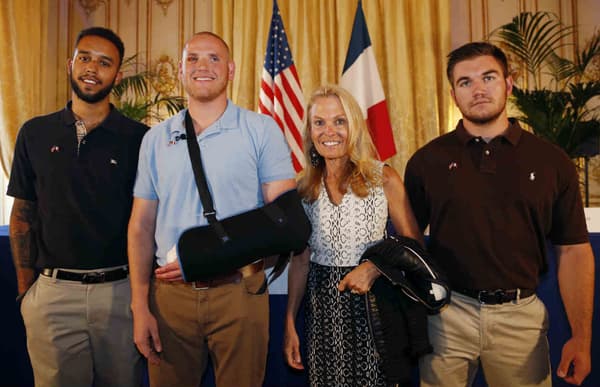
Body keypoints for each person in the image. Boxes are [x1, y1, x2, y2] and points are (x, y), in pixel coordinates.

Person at [404, 41, 595, 387]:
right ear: (453, 94)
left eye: (488, 77)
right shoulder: (426, 162)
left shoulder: (553, 163)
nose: (478, 89)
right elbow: (409, 243)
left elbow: (574, 251)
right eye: (465, 82)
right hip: (447, 317)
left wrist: (581, 338)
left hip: (520, 318)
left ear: (508, 83)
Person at [127, 31, 296, 387]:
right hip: (169, 298)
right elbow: (141, 225)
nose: (203, 66)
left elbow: (285, 221)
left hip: (240, 293)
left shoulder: (261, 130)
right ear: (180, 70)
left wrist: (217, 255)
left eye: (214, 58)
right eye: (193, 59)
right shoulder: (155, 139)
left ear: (231, 70)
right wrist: (139, 306)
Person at [7, 27, 148, 386]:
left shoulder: (140, 139)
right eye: (84, 57)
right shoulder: (34, 133)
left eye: (104, 63)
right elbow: (23, 215)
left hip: (120, 295)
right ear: (70, 63)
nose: (91, 68)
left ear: (117, 75)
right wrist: (28, 293)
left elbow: (147, 222)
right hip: (53, 297)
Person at [283, 85, 423, 386]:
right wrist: (290, 321)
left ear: (354, 126)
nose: (328, 131)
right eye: (319, 122)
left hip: (376, 306)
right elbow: (301, 262)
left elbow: (414, 247)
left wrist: (374, 268)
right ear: (309, 130)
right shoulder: (303, 189)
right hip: (322, 311)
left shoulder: (382, 176)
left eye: (339, 121)